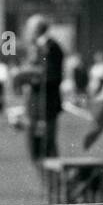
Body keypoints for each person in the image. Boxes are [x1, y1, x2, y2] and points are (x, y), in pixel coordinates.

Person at [19, 14, 64, 164]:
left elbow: (52, 76)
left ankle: (55, 185)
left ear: (37, 29)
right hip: (34, 106)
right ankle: (48, 185)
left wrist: (28, 76)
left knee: (47, 149)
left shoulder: (51, 48)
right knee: (35, 151)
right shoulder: (35, 48)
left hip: (46, 106)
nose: (26, 31)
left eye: (29, 28)